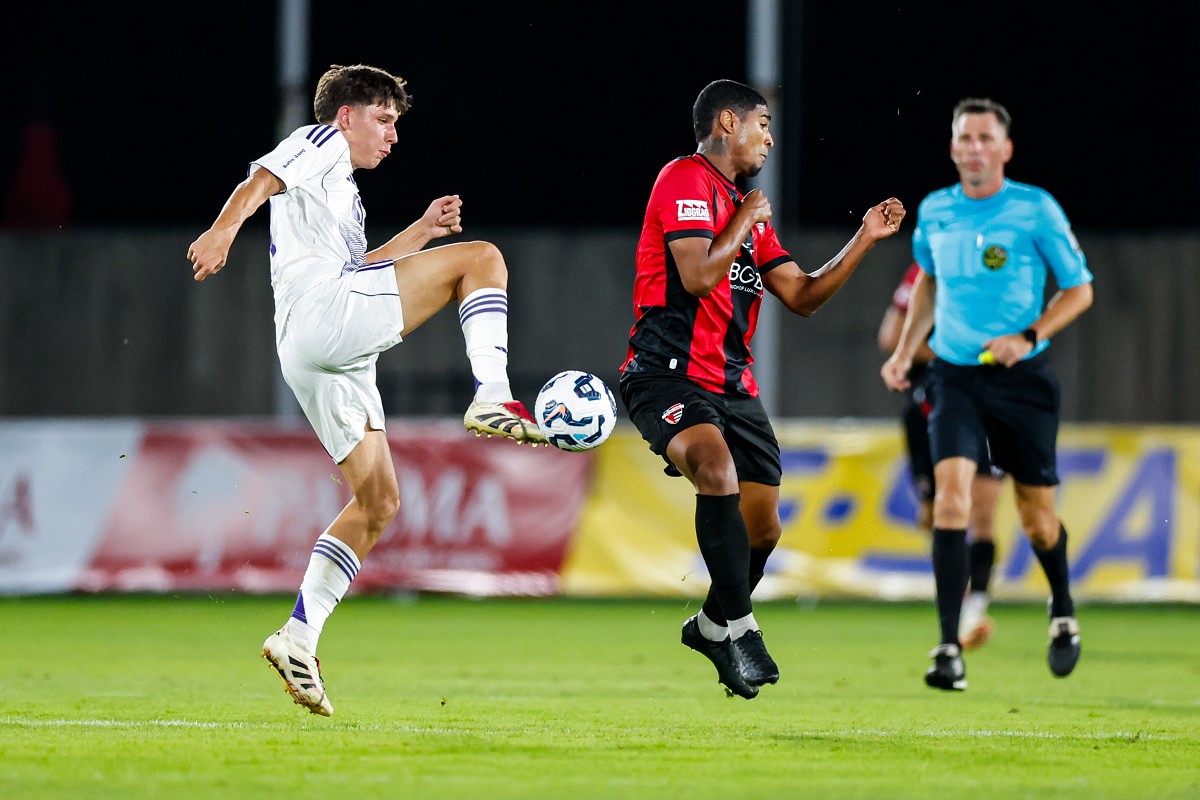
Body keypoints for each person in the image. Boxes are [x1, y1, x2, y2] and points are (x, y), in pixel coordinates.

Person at [187, 64, 548, 716]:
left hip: (316, 345)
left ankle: (297, 636)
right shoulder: (320, 141)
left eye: (396, 124)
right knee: (483, 260)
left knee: (379, 501)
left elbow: (364, 270)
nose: (392, 135)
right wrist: (223, 229)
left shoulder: (340, 191)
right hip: (324, 317)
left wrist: (421, 231)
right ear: (346, 116)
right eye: (383, 119)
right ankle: (493, 395)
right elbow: (258, 179)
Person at [619, 79, 906, 699]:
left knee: (765, 530)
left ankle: (709, 626)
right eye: (764, 124)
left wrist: (863, 237)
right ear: (729, 122)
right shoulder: (684, 179)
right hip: (665, 372)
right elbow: (698, 277)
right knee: (715, 469)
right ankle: (743, 629)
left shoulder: (745, 210)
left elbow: (802, 295)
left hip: (733, 384)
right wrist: (744, 218)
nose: (771, 139)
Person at [881, 97, 1093, 691]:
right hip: (954, 377)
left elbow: (1079, 290)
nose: (974, 147)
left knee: (1038, 521)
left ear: (1005, 149)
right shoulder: (935, 210)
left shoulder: (1035, 208)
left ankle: (1062, 608)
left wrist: (1028, 337)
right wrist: (905, 352)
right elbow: (927, 283)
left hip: (1021, 381)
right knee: (951, 503)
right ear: (952, 148)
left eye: (984, 138)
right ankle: (949, 646)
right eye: (965, 138)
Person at [877, 261, 1006, 649]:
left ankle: (974, 610)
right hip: (932, 404)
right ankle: (961, 599)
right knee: (936, 514)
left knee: (983, 510)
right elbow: (890, 336)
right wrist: (955, 354)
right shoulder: (925, 270)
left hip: (988, 403)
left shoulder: (1003, 265)